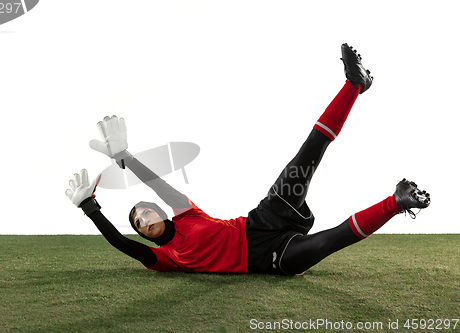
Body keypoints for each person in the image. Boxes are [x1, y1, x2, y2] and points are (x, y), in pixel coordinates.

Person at [65, 43, 431, 275]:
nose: (144, 222)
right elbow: (121, 244)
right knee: (327, 242)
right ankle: (397, 201)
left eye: (144, 213)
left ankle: (354, 85)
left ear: (160, 212)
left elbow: (157, 184)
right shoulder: (167, 259)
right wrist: (90, 207)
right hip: (265, 257)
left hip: (260, 221)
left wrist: (126, 157)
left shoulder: (185, 212)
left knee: (306, 158)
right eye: (139, 224)